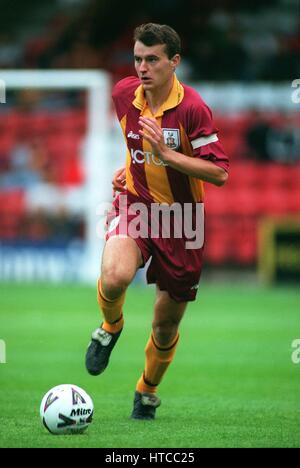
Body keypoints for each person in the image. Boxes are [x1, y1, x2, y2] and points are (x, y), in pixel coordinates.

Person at [85, 23, 229, 420]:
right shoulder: (123, 95)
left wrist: (167, 158)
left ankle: (146, 391)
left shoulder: (193, 108)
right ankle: (110, 328)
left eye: (152, 59)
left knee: (164, 324)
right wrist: (128, 167)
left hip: (182, 222)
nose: (143, 67)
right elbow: (134, 147)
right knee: (114, 276)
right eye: (137, 59)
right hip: (136, 207)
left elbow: (219, 172)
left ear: (174, 62)